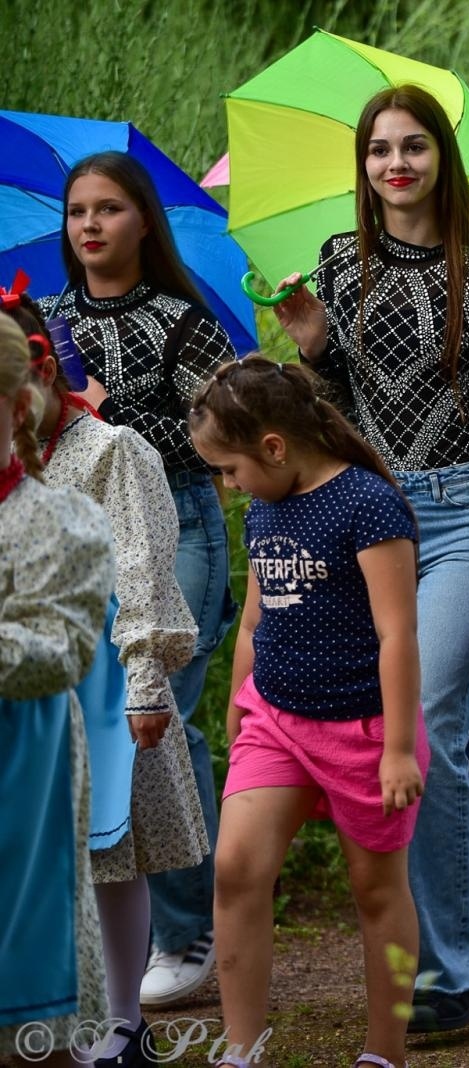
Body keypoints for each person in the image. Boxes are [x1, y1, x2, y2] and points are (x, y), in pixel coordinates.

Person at [272, 85, 469, 1031]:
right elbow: (329, 423)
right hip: (372, 523)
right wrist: (315, 353)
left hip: (468, 516)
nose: (395, 164)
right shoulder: (334, 269)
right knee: (378, 739)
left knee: (429, 727)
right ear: (362, 168)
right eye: (379, 151)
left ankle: (447, 974)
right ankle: (401, 951)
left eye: (413, 147)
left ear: (441, 157)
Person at [192, 357, 426, 1068]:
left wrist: (396, 750)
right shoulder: (267, 499)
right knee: (235, 866)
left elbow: (397, 633)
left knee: (374, 886)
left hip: (363, 728)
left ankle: (384, 1052)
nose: (230, 490)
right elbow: (259, 610)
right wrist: (241, 699)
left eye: (230, 470)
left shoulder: (366, 505)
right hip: (276, 718)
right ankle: (240, 1049)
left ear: (273, 446)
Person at [49, 150, 235, 1006]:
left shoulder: (182, 322)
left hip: (180, 526)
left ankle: (190, 930)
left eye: (110, 209)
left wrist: (108, 411)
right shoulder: (40, 321)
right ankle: (96, 925)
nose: (91, 225)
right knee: (85, 723)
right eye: (79, 210)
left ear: (142, 223)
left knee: (163, 716)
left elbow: (223, 432)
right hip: (73, 537)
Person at [6, 288, 207, 1063]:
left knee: (112, 849)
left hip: (105, 681)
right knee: (50, 851)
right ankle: (58, 1011)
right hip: (32, 689)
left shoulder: (112, 450)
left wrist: (147, 681)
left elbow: (145, 565)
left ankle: (123, 1020)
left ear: (45, 372)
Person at [0, 313, 116, 1067]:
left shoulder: (52, 521)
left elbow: (59, 650)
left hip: (18, 777)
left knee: (28, 1026)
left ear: (17, 408)